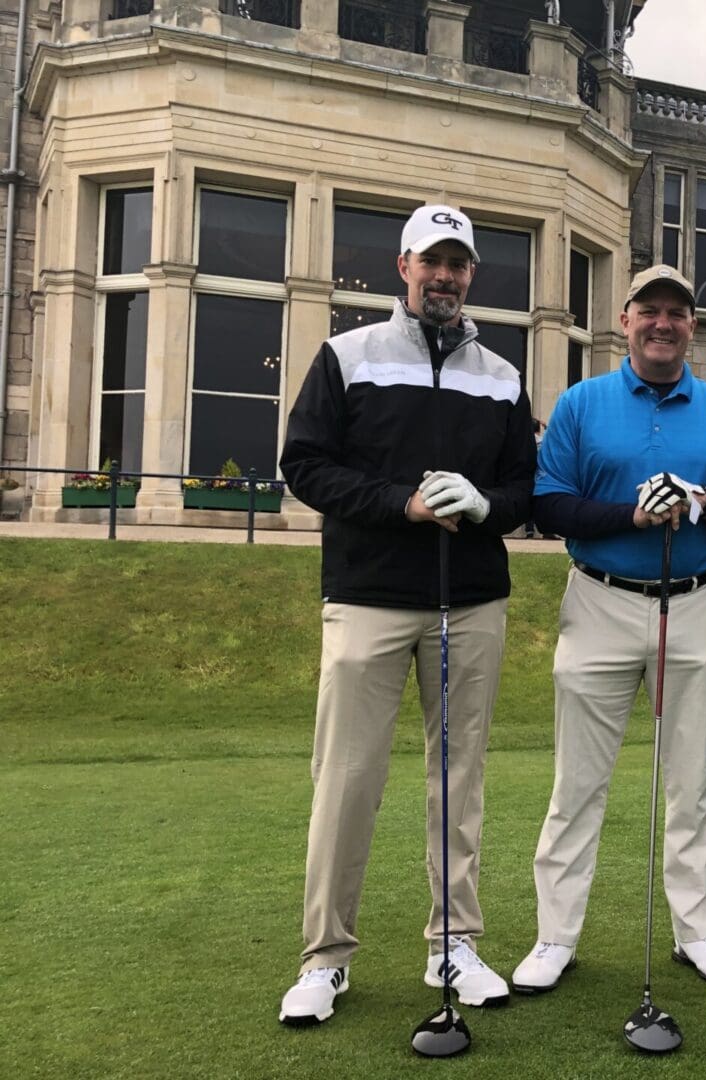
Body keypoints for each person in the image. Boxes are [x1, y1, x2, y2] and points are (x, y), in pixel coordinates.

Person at [276, 204, 536, 1025]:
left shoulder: (501, 373)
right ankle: (325, 958)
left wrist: (488, 504)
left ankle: (453, 944)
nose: (446, 277)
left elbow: (528, 489)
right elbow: (305, 466)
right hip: (367, 598)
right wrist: (402, 505)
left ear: (471, 276)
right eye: (433, 261)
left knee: (458, 781)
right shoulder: (347, 355)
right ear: (403, 267)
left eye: (459, 264)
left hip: (472, 602)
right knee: (347, 780)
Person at [511, 265, 706, 992]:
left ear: (693, 326)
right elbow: (550, 505)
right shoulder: (581, 403)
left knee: (693, 784)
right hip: (599, 600)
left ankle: (699, 931)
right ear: (625, 320)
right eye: (649, 311)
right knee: (578, 783)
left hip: (693, 602)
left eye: (677, 314)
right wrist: (630, 514)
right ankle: (555, 936)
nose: (664, 324)